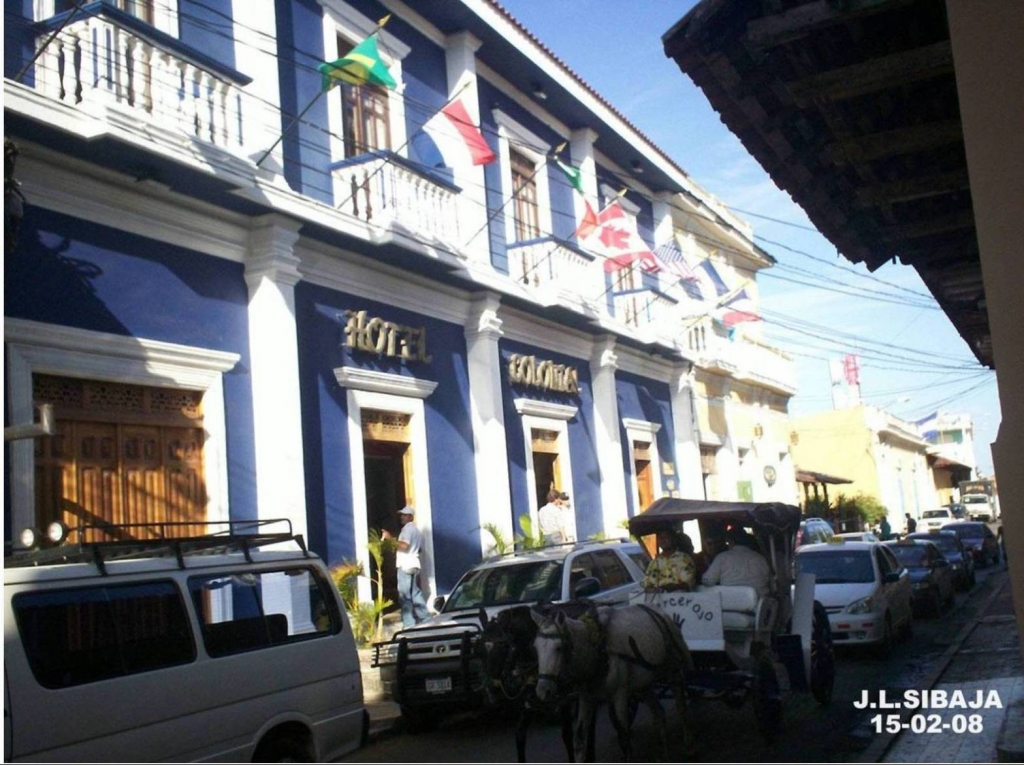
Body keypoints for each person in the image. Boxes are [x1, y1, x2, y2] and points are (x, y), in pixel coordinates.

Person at [381, 506, 430, 627]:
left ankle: (409, 623)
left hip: (406, 565)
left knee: (404, 595)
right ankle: (426, 619)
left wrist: (389, 538)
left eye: (404, 515)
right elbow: (418, 549)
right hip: (414, 564)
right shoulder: (416, 531)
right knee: (415, 593)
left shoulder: (407, 530)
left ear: (410, 517)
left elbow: (404, 546)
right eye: (402, 515)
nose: (402, 517)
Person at [701, 526, 773, 598]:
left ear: (731, 542)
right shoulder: (760, 558)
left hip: (731, 602)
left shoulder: (722, 557)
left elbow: (707, 581)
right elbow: (770, 581)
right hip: (760, 602)